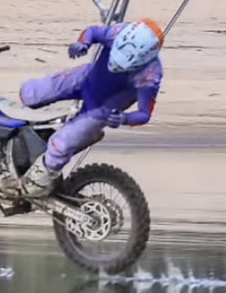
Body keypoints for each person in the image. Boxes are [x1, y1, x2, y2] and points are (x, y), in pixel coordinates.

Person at [12, 17, 164, 198]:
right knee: (29, 93)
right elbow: (92, 31)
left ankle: (37, 184)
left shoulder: (150, 75)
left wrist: (124, 118)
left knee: (61, 144)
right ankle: (28, 140)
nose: (117, 66)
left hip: (102, 108)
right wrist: (83, 43)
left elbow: (144, 113)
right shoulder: (117, 32)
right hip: (87, 77)